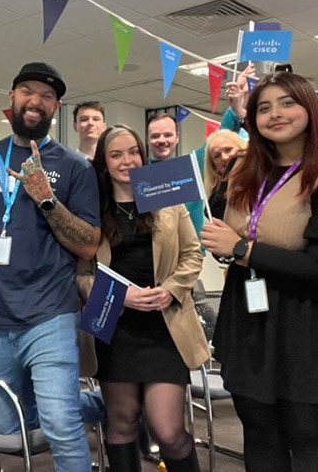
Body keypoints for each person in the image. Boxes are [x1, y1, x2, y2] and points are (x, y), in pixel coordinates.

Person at [199, 71, 318, 471]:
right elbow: (229, 241)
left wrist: (242, 248)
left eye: (286, 103)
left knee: (312, 443)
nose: (275, 114)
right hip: (249, 324)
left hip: (311, 328)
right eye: (263, 107)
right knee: (259, 440)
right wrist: (227, 248)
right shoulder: (245, 174)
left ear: (310, 110)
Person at [0, 61, 101, 472]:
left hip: (50, 313)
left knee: (59, 423)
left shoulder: (75, 166)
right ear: (12, 97)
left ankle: (72, 410)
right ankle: (104, 402)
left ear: (56, 107)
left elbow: (88, 245)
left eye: (47, 95)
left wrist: (47, 199)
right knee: (9, 423)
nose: (35, 101)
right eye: (27, 91)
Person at [78, 125, 209, 472]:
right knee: (121, 423)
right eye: (116, 154)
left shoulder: (165, 197)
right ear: (104, 163)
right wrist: (122, 297)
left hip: (165, 327)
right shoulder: (91, 209)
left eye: (133, 152)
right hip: (115, 327)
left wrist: (172, 289)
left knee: (168, 430)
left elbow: (193, 255)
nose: (127, 161)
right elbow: (80, 276)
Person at [202, 129, 247, 220]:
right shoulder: (216, 198)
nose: (225, 157)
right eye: (217, 156)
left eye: (228, 150)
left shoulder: (264, 176)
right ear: (214, 166)